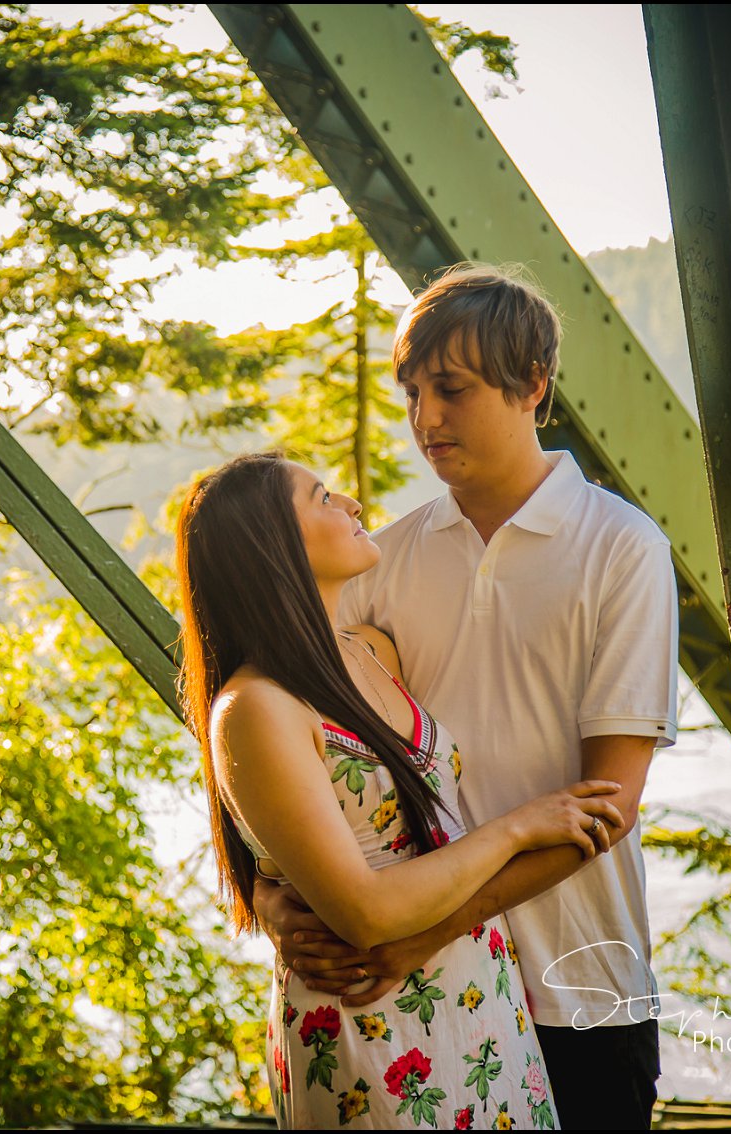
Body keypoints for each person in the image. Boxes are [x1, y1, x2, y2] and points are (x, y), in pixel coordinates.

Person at [254, 264, 680, 1129]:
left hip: (578, 984)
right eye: (412, 391)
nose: (424, 419)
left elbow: (609, 805)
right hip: (424, 998)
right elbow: (263, 737)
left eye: (450, 389)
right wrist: (271, 903)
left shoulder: (620, 548)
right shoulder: (384, 558)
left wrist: (427, 931)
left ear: (532, 386)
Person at [175, 451, 629, 1129]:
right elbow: (363, 913)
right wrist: (515, 827)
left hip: (477, 997)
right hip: (371, 1020)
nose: (351, 505)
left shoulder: (370, 654)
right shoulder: (255, 708)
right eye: (323, 498)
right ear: (271, 546)